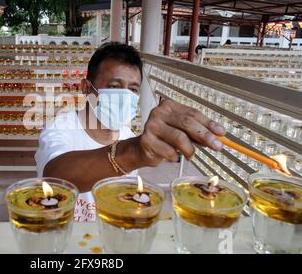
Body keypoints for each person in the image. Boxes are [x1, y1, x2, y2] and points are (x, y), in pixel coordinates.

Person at [35, 42, 225, 222]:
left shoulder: (128, 136)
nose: (125, 97)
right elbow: (55, 178)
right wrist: (132, 153)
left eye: (133, 89)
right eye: (114, 87)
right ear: (86, 88)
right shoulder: (60, 128)